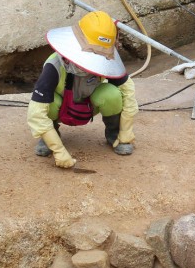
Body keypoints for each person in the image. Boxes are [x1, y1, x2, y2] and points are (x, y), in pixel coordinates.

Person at [27, 11, 138, 169]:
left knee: (112, 94)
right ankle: (50, 137)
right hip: (61, 108)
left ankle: (114, 134)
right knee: (48, 103)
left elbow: (128, 92)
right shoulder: (54, 66)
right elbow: (36, 113)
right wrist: (58, 150)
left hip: (88, 105)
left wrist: (126, 131)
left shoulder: (106, 61)